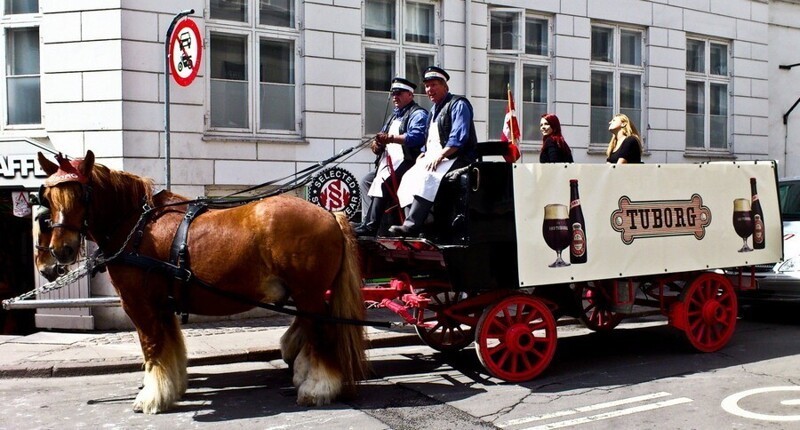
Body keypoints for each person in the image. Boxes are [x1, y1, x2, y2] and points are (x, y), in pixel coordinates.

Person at [388, 66, 478, 237]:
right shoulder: (433, 110)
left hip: (457, 157)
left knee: (428, 176)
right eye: (427, 86)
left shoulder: (459, 104)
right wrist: (423, 152)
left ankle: (412, 225)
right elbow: (430, 138)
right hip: (436, 157)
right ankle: (422, 224)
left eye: (434, 85)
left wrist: (441, 155)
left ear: (445, 86)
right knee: (408, 178)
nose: (430, 90)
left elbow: (458, 138)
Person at [353, 77, 429, 236]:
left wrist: (390, 138)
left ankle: (372, 226)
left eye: (399, 93)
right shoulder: (393, 117)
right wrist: (378, 144)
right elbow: (381, 141)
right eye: (393, 94)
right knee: (366, 180)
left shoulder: (418, 114)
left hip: (409, 163)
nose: (395, 97)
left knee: (382, 184)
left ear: (410, 95)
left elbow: (416, 137)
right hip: (389, 164)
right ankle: (368, 220)